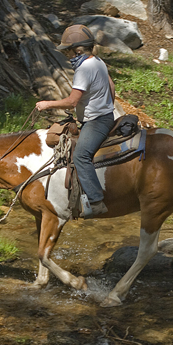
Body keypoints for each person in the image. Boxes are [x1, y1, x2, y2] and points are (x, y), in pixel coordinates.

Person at [35, 24, 115, 218]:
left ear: (78, 50)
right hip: (105, 116)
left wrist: (47, 104)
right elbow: (112, 87)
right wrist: (106, 105)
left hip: (96, 122)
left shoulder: (83, 69)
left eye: (69, 52)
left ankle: (96, 201)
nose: (68, 56)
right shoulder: (97, 61)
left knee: (80, 156)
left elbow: (71, 102)